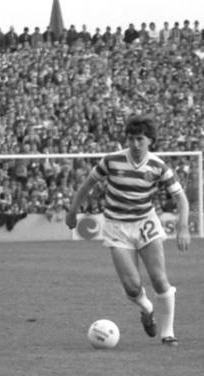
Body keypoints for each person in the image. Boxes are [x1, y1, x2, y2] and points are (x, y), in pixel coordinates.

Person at [65, 114, 190, 347]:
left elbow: (181, 198)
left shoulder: (158, 166)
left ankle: (168, 333)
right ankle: (147, 308)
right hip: (116, 226)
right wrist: (73, 211)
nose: (134, 144)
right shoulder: (111, 161)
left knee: (160, 280)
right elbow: (87, 185)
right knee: (132, 287)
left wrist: (183, 227)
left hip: (145, 224)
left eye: (139, 139)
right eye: (131, 139)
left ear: (150, 140)